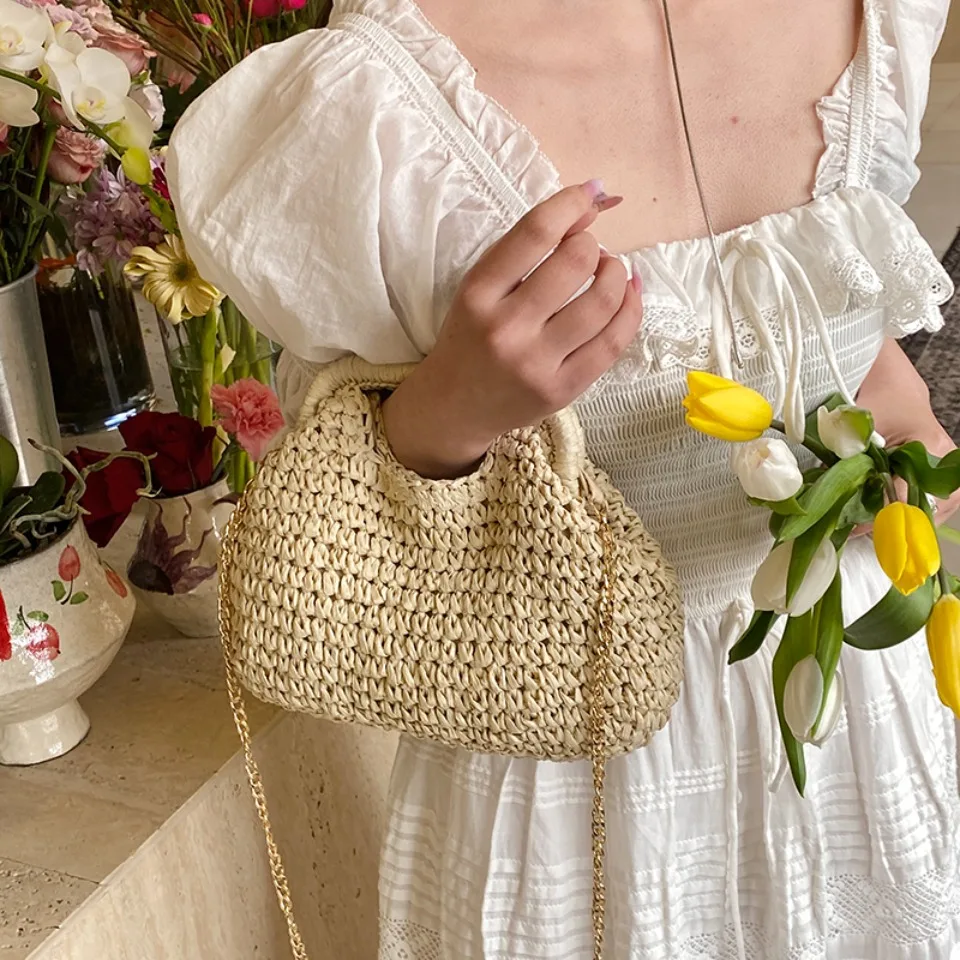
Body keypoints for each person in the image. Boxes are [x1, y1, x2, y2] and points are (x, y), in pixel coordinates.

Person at [168, 0, 960, 955]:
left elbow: (858, 349)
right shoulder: (380, 97)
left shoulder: (870, 19)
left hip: (851, 705)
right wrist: (457, 403)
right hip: (569, 742)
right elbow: (343, 477)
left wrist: (913, 456)